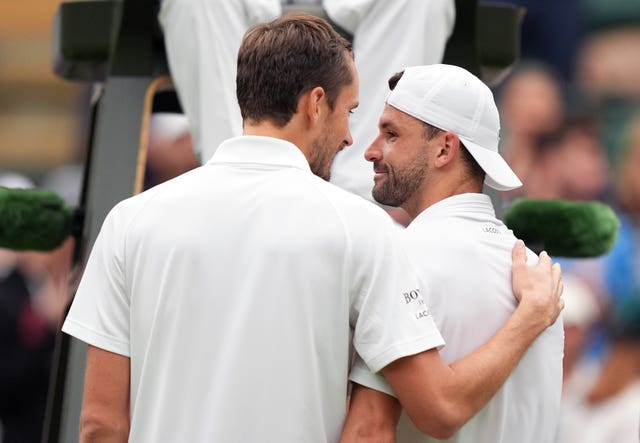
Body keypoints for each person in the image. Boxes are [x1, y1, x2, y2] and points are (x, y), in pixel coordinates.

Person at [61, 15, 562, 442]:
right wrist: (531, 315)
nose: (353, 139)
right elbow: (393, 423)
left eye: (384, 131)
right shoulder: (364, 230)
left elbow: (101, 425)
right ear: (315, 104)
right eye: (350, 114)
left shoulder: (130, 220)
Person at [341, 64, 565, 442]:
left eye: (391, 134)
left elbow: (369, 432)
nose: (369, 151)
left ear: (445, 148)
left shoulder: (400, 256)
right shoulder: (536, 276)